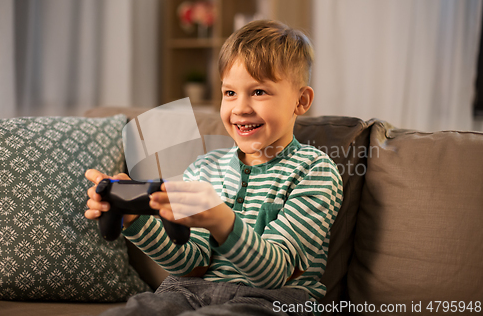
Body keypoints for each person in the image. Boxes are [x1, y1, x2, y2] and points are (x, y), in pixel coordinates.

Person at [85, 20, 343, 316]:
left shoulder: (315, 170)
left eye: (258, 92)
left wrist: (221, 221)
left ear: (301, 100)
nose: (240, 108)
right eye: (230, 93)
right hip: (188, 291)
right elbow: (190, 264)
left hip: (271, 300)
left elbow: (274, 274)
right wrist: (135, 220)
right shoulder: (203, 169)